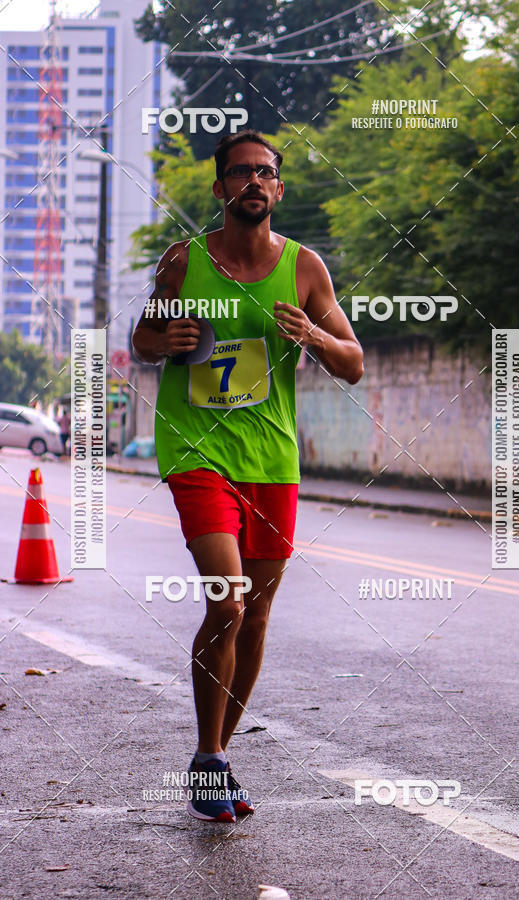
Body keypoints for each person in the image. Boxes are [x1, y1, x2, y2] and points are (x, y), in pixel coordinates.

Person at [132, 129, 364, 823]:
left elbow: (352, 361)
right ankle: (210, 755)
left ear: (279, 189)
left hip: (271, 460)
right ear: (220, 188)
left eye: (267, 174)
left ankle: (214, 759)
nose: (255, 183)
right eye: (241, 174)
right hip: (197, 452)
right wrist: (162, 340)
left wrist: (314, 336)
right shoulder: (183, 262)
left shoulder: (303, 269)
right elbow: (142, 338)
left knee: (257, 614)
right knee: (229, 601)